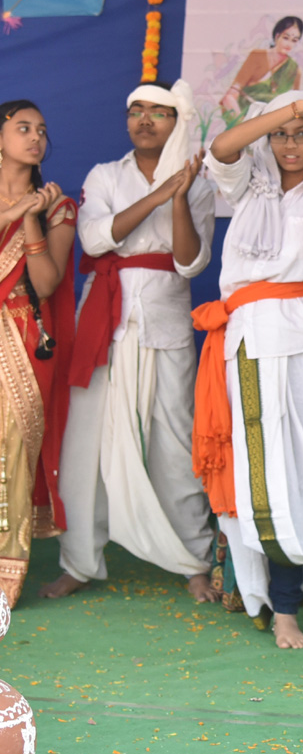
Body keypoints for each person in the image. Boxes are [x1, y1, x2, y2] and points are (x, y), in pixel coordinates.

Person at [195, 81, 303, 649]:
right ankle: (286, 601)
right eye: (283, 134)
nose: (291, 144)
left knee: (299, 466)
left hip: (302, 336)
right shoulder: (249, 184)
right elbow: (221, 146)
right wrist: (299, 109)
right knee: (259, 473)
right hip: (249, 338)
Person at [40, 81, 217, 603]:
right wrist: (159, 195)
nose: (144, 120)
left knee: (174, 444)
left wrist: (179, 197)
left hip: (165, 322)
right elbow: (94, 239)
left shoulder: (199, 184)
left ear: (176, 123)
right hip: (102, 322)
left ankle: (194, 561)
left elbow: (191, 263)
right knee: (84, 448)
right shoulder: (104, 175)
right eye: (136, 111)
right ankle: (79, 561)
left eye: (158, 113)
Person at [0, 100, 76, 606]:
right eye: (23, 128)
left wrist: (30, 219)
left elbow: (46, 283)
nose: (35, 138)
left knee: (11, 456)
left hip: (21, 339)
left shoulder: (56, 206)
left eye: (42, 131)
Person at [219, 16, 303, 128]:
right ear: (277, 36)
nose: (289, 44)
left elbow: (294, 107)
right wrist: (244, 126)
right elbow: (231, 95)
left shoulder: (293, 69)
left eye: (294, 40)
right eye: (286, 38)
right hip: (245, 120)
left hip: (273, 128)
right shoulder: (257, 56)